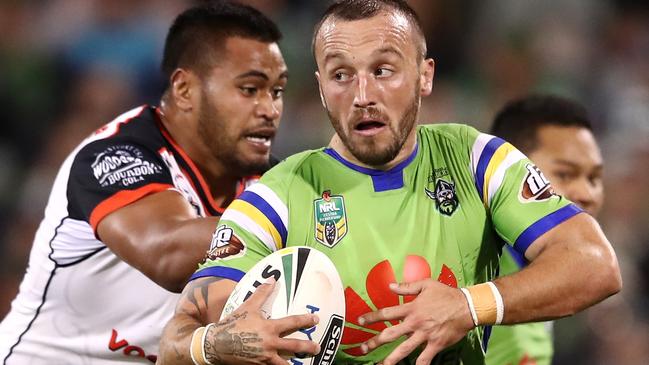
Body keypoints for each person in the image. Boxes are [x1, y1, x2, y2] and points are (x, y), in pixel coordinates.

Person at [158, 1, 622, 364]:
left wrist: (468, 305)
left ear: (425, 75)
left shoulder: (475, 158)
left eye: (383, 70)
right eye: (341, 75)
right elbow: (177, 340)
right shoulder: (276, 195)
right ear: (321, 88)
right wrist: (221, 343)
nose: (363, 96)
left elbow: (595, 264)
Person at [0, 2, 317, 363]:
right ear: (184, 89)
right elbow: (168, 255)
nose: (270, 109)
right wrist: (305, 226)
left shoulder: (271, 184)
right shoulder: (115, 156)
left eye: (277, 91)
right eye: (249, 89)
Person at [485, 94, 604, 365]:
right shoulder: (466, 265)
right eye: (564, 174)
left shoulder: (548, 274)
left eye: (595, 178)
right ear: (511, 175)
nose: (587, 193)